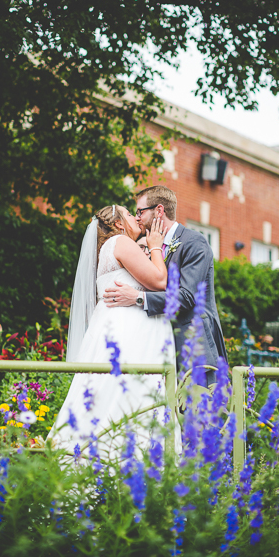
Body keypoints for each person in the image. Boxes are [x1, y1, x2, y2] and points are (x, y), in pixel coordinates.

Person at [49, 205, 174, 457]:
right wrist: (156, 246)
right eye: (130, 214)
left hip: (109, 329)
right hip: (126, 333)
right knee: (125, 395)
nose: (136, 217)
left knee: (105, 394)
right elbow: (160, 282)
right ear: (118, 224)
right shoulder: (122, 243)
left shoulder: (109, 249)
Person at [103, 185, 227, 386]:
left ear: (159, 211)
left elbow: (187, 297)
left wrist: (137, 297)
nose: (138, 218)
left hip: (193, 345)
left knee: (199, 413)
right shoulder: (149, 247)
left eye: (140, 212)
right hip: (160, 347)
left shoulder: (194, 242)